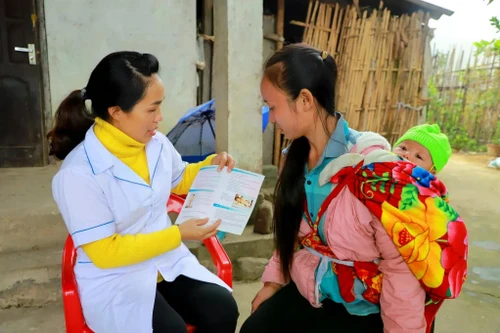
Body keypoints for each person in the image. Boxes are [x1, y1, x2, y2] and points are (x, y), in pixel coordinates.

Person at [241, 44, 466, 333]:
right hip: (314, 290)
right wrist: (273, 282)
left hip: (367, 306)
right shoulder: (292, 160)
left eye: (273, 107)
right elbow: (290, 236)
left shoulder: (372, 168)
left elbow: (400, 268)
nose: (270, 118)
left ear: (305, 100)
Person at [48, 51, 238, 333]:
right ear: (116, 112)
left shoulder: (156, 143)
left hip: (165, 262)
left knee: (222, 309)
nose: (160, 117)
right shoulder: (78, 174)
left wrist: (211, 166)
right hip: (115, 276)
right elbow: (105, 252)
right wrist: (179, 234)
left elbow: (178, 178)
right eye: (151, 109)